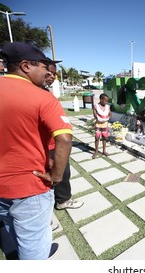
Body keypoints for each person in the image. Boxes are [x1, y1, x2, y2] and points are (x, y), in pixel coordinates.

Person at [0, 42, 73, 260]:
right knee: (33, 240)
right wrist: (56, 176)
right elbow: (64, 138)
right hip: (28, 186)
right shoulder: (42, 97)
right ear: (26, 66)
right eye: (44, 68)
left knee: (9, 223)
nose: (48, 73)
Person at [43, 61, 84, 211]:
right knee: (52, 175)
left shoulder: (46, 93)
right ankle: (46, 210)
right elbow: (65, 139)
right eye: (48, 73)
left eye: (54, 74)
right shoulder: (34, 95)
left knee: (63, 173)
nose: (52, 77)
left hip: (54, 144)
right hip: (47, 146)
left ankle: (62, 200)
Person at [92, 93, 112, 159]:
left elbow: (110, 113)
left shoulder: (107, 107)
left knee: (104, 137)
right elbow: (95, 114)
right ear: (101, 99)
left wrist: (107, 117)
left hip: (105, 125)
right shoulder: (96, 106)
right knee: (97, 137)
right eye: (105, 100)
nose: (106, 102)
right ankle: (96, 152)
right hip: (98, 124)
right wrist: (99, 118)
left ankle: (104, 151)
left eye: (107, 101)